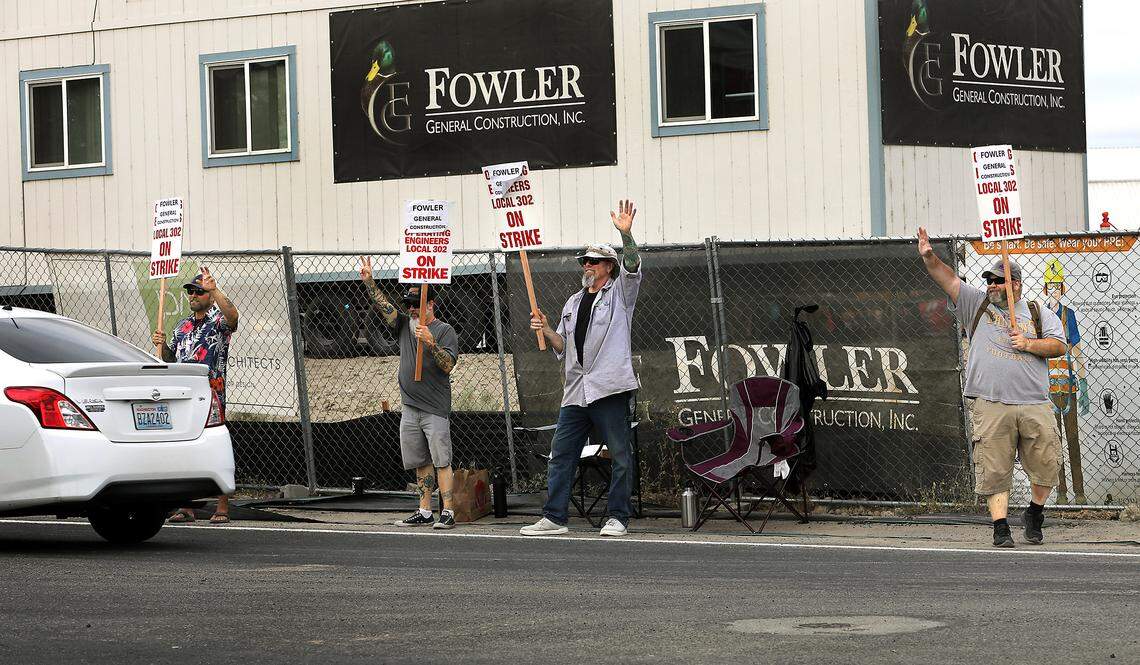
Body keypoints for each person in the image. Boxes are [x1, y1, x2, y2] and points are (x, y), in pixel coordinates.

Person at [917, 228, 1066, 547]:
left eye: (999, 281)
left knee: (1046, 464)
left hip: (1034, 402)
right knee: (994, 468)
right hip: (991, 403)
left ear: (1016, 285)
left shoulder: (1039, 312)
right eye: (989, 281)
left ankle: (1035, 513)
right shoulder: (976, 304)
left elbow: (1058, 346)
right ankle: (1000, 526)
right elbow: (947, 278)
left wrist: (1028, 343)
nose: (993, 286)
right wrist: (930, 258)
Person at [521, 199, 642, 537]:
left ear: (608, 267)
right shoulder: (573, 302)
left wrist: (626, 235)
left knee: (619, 454)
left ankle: (617, 517)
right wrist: (546, 330)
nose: (586, 265)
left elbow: (632, 265)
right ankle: (554, 517)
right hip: (575, 391)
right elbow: (564, 346)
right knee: (561, 453)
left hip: (609, 388)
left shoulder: (621, 294)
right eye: (584, 261)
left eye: (593, 261)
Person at [360, 258, 460, 529]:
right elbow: (385, 308)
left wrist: (431, 344)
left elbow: (448, 365)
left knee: (441, 460)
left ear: (431, 305)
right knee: (420, 461)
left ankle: (448, 511)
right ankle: (425, 509)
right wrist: (370, 283)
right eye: (410, 306)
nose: (413, 309)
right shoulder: (405, 324)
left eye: (418, 305)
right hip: (410, 407)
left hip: (435, 408)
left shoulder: (444, 330)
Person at [152, 267, 239, 524]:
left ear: (209, 296)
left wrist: (214, 289)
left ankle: (221, 506)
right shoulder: (182, 326)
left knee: (216, 445)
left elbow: (233, 317)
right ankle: (186, 505)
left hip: (211, 393)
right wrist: (163, 346)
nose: (193, 295)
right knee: (183, 446)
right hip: (183, 395)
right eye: (190, 291)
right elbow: (172, 360)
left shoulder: (218, 321)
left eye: (198, 291)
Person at [1043, 258, 1089, 505]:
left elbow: (1077, 349)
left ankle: (1079, 492)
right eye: (1050, 286)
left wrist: (1083, 384)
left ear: (1063, 288)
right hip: (1047, 388)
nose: (1054, 290)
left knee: (1072, 439)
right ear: (1044, 288)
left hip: (1068, 386)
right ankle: (1061, 492)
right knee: (1054, 442)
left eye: (1057, 285)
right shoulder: (1039, 316)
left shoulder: (1068, 315)